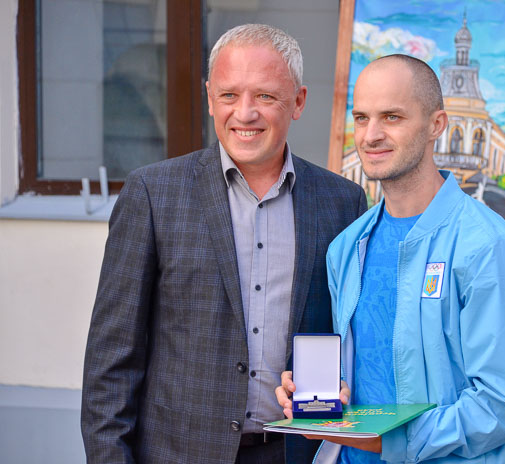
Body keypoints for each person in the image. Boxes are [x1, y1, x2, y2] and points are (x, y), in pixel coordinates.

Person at [81, 24, 367, 464]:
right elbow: (112, 363)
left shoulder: (343, 202)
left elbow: (347, 336)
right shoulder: (153, 194)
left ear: (299, 102)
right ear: (210, 97)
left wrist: (343, 387)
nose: (245, 113)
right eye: (230, 95)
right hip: (178, 454)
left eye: (265, 96)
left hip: (294, 452)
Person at [276, 54, 505, 462]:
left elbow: (503, 406)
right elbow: (362, 380)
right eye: (361, 118)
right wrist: (318, 397)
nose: (371, 135)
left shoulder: (487, 247)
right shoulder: (346, 248)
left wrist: (391, 440)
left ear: (437, 124)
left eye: (392, 117)